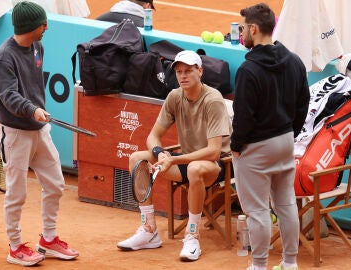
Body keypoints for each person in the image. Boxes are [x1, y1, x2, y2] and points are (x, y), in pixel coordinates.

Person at [117, 50, 232, 262]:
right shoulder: (174, 96)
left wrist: (173, 159)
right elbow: (153, 136)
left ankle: (192, 235)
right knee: (137, 159)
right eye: (179, 72)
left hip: (215, 165)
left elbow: (214, 151)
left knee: (195, 168)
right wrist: (160, 153)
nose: (183, 76)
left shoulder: (213, 99)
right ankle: (149, 229)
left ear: (200, 71)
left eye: (188, 71)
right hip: (185, 160)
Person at [0, 1, 79, 266]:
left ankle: (48, 239)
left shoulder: (37, 46)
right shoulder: (4, 57)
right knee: (16, 193)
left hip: (40, 130)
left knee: (55, 183)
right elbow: (8, 96)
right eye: (43, 23)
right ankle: (15, 246)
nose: (47, 27)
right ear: (30, 26)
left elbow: (33, 88)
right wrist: (33, 110)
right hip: (16, 134)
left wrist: (39, 114)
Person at [230, 3, 310, 270]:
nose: (241, 34)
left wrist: (236, 146)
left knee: (257, 211)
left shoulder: (248, 70)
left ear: (253, 28)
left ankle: (260, 266)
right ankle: (290, 264)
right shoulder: (295, 61)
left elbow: (243, 116)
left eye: (243, 28)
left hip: (256, 148)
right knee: (286, 204)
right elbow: (303, 104)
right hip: (286, 142)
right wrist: (290, 133)